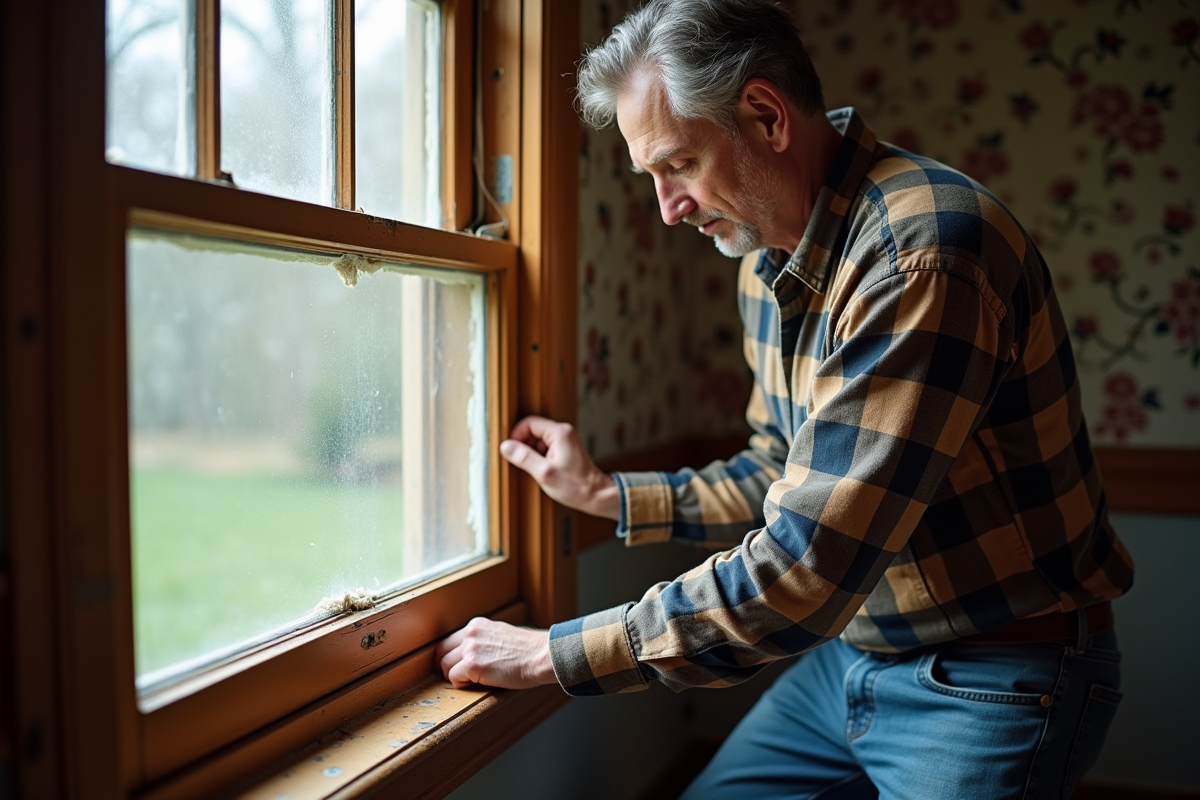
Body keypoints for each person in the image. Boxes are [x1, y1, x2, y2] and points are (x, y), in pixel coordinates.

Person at [436, 1, 1135, 797]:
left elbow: (806, 568)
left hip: (994, 671)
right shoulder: (766, 257)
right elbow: (783, 467)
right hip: (852, 654)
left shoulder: (922, 257)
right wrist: (605, 494)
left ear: (766, 116)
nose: (668, 209)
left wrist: (551, 654)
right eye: (652, 177)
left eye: (678, 165)